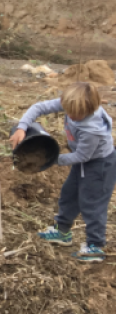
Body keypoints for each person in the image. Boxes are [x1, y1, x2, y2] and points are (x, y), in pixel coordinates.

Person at [12, 82, 116, 263]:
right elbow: (38, 107)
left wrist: (52, 159)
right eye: (68, 111)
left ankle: (95, 246)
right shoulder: (73, 103)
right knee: (69, 194)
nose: (71, 116)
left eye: (77, 115)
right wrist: (22, 127)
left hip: (99, 166)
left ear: (88, 109)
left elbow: (82, 156)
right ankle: (62, 231)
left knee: (92, 204)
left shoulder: (93, 130)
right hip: (84, 163)